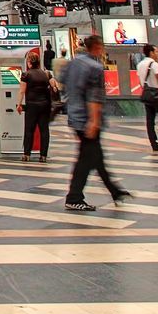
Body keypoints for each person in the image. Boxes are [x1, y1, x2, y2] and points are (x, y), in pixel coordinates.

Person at [62, 36, 130, 213]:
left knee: (95, 156)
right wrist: (94, 120)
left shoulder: (73, 63)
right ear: (98, 47)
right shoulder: (95, 67)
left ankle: (115, 191)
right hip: (88, 119)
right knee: (86, 159)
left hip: (74, 116)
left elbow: (63, 83)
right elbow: (94, 97)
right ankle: (74, 198)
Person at [15, 49, 54, 163]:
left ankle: (26, 154)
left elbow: (22, 91)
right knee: (44, 130)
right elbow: (54, 86)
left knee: (29, 130)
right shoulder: (46, 73)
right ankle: (43, 155)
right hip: (45, 105)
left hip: (32, 106)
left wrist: (19, 104)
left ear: (29, 62)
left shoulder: (26, 74)